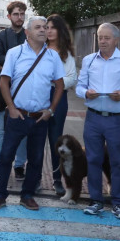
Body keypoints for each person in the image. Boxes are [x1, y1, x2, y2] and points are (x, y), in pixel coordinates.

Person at [0, 16, 65, 211]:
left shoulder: (53, 57)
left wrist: (51, 110)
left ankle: (27, 195)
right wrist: (11, 109)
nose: (44, 30)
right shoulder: (15, 54)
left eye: (46, 27)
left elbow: (59, 86)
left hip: (40, 118)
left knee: (36, 159)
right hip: (18, 115)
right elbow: (3, 82)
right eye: (38, 27)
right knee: (6, 156)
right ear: (27, 32)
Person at [75, 23, 120, 220]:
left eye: (106, 38)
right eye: (99, 37)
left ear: (116, 40)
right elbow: (80, 87)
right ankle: (96, 201)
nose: (102, 41)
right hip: (93, 117)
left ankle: (119, 203)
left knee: (117, 162)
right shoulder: (89, 60)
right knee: (93, 160)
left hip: (117, 120)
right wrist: (86, 92)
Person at [0, 1, 28, 179]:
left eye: (22, 14)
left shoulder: (29, 36)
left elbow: (32, 58)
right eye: (16, 14)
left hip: (24, 90)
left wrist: (7, 65)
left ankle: (20, 165)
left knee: (23, 129)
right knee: (2, 130)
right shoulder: (0, 36)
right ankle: (3, 162)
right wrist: (19, 62)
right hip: (3, 89)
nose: (19, 17)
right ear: (9, 16)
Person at [45, 14, 77, 195]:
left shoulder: (67, 54)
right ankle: (33, 179)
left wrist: (55, 81)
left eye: (52, 27)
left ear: (60, 30)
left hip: (59, 97)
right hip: (40, 97)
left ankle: (57, 180)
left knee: (55, 141)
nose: (49, 31)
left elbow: (72, 78)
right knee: (37, 139)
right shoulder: (40, 50)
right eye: (46, 27)